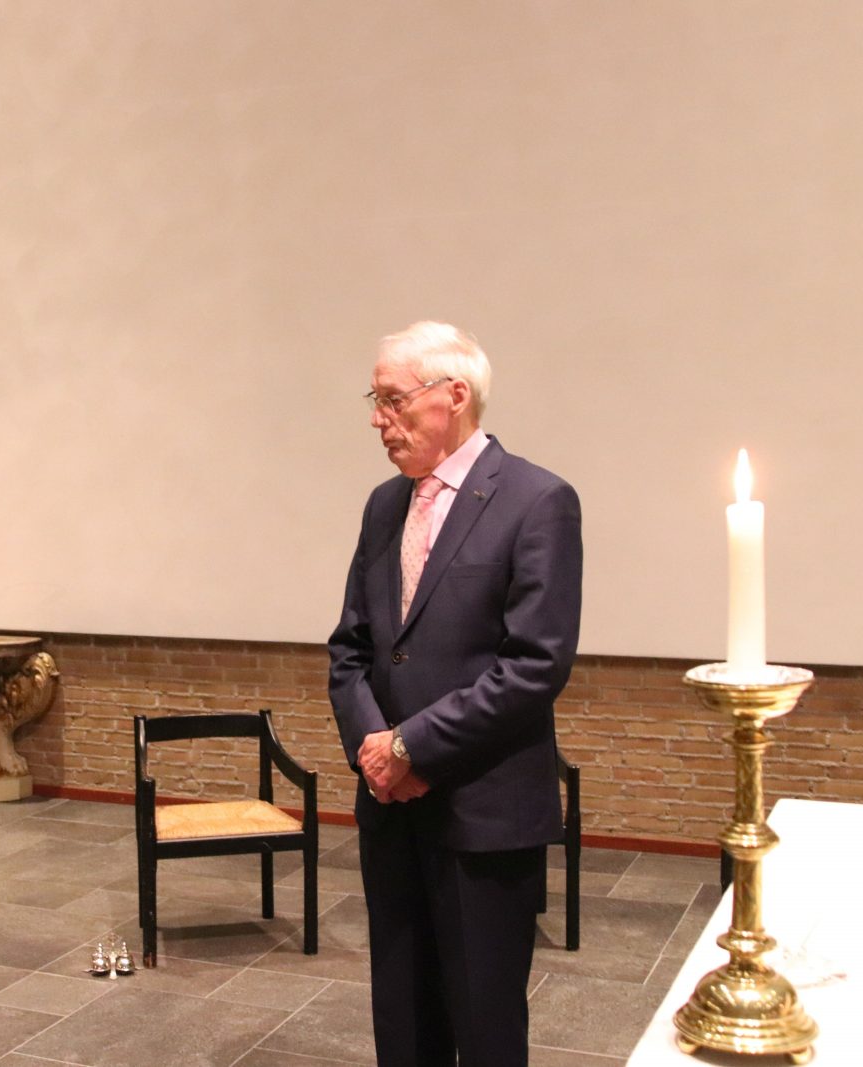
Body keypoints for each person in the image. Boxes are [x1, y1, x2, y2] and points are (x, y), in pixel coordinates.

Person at [328, 322, 583, 1067]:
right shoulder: (384, 505)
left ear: (455, 395)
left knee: (486, 1024)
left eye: (392, 399)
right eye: (375, 400)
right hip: (391, 810)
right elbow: (352, 649)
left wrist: (413, 746)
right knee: (403, 1019)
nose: (379, 418)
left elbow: (533, 665)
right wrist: (378, 754)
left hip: (482, 813)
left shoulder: (538, 500)